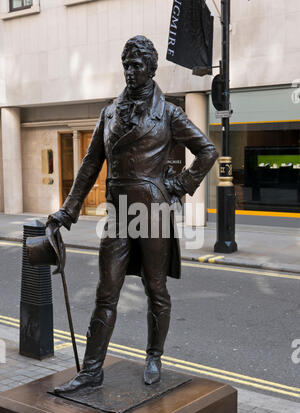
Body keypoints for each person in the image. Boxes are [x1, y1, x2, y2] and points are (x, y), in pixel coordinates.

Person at [48, 35, 218, 394]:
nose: (130, 71)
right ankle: (92, 371)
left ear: (151, 69)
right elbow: (91, 162)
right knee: (105, 291)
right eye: (126, 64)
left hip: (152, 212)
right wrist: (68, 209)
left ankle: (154, 355)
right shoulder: (109, 112)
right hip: (119, 213)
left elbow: (206, 151)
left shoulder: (168, 112)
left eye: (137, 65)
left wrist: (178, 185)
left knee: (155, 288)